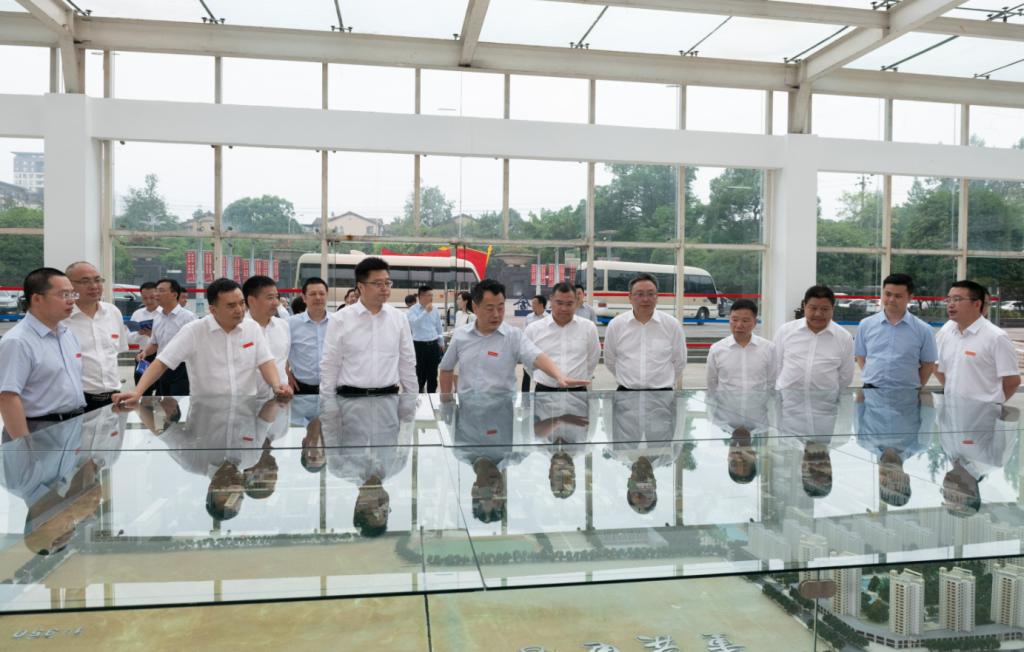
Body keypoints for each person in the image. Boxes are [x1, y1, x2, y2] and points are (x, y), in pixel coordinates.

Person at [112, 278, 293, 403]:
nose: (239, 310)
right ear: (213, 310)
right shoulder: (194, 331)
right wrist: (137, 392)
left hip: (245, 410)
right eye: (231, 305)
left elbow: (265, 361)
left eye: (241, 303)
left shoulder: (251, 328)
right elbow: (161, 362)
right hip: (207, 412)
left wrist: (277, 385)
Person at [438, 279, 589, 393]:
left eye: (501, 308)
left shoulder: (513, 336)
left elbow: (537, 356)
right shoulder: (461, 336)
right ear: (475, 307)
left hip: (502, 413)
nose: (496, 314)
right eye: (489, 308)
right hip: (468, 412)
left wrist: (559, 376)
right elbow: (446, 369)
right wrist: (446, 402)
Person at [0, 268, 85, 439]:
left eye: (72, 294)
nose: (71, 301)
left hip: (72, 426)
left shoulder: (66, 334)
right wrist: (24, 445)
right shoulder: (17, 341)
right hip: (37, 429)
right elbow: (8, 398)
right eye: (64, 295)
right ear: (37, 299)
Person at [319, 257, 417, 396]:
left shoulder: (399, 318)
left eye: (387, 283)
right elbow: (330, 365)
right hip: (350, 397)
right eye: (378, 283)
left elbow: (407, 362)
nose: (384, 288)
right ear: (361, 287)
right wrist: (328, 402)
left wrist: (412, 397)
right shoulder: (340, 319)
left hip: (388, 396)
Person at [936, 279, 1021, 403]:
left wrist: (992, 406)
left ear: (977, 304)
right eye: (949, 299)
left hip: (984, 413)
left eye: (957, 299)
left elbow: (1012, 381)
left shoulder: (996, 337)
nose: (951, 304)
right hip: (951, 410)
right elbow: (938, 367)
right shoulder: (947, 332)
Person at [603, 273, 687, 391]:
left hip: (662, 394)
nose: (645, 299)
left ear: (657, 297)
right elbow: (610, 360)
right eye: (639, 294)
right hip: (626, 393)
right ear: (630, 297)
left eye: (651, 294)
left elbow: (680, 361)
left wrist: (664, 383)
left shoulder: (672, 325)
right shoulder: (616, 325)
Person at [64, 262, 129, 411]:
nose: (94, 286)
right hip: (77, 403)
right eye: (85, 281)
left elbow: (115, 353)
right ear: (68, 285)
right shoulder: (62, 319)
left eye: (98, 280)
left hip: (114, 399)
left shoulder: (113, 312)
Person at [854, 273, 937, 389]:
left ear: (910, 297)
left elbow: (928, 364)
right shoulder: (865, 325)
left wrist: (915, 390)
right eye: (888, 294)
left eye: (898, 296)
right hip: (871, 390)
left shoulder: (924, 330)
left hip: (907, 392)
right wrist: (872, 379)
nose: (891, 300)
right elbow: (860, 356)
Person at [773, 285, 854, 391]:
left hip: (825, 399)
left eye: (825, 309)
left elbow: (846, 376)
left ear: (832, 309)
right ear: (804, 306)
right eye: (813, 308)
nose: (818, 314)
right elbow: (775, 365)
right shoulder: (785, 331)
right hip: (788, 398)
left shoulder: (844, 338)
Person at [524, 282, 600, 392]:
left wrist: (582, 377)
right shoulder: (533, 329)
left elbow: (593, 358)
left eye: (569, 304)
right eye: (559, 303)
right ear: (551, 300)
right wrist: (540, 378)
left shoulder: (588, 328)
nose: (564, 308)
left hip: (577, 391)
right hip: (545, 391)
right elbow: (527, 362)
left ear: (576, 302)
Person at [138, 278, 196, 396]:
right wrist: (145, 352)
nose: (156, 294)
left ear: (174, 294)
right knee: (163, 401)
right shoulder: (157, 318)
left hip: (182, 368)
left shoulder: (189, 318)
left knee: (179, 403)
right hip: (162, 367)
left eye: (161, 291)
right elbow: (155, 343)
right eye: (156, 291)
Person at [705, 298, 774, 391]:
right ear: (729, 320)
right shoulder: (717, 349)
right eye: (735, 320)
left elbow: (772, 381)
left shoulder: (768, 348)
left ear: (755, 322)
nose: (739, 325)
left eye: (745, 321)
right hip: (726, 401)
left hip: (758, 400)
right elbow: (711, 382)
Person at [242, 275, 292, 396]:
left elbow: (284, 360)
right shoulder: (239, 329)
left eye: (277, 297)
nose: (276, 302)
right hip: (249, 399)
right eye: (270, 298)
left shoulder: (283, 326)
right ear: (251, 300)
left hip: (281, 397)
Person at [287, 277, 329, 394]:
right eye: (313, 294)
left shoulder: (337, 322)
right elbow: (281, 352)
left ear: (327, 295)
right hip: (301, 387)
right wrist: (286, 373)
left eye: (321, 293)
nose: (318, 297)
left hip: (332, 387)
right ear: (304, 298)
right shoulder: (291, 323)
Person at [407, 284, 445, 393]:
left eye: (432, 295)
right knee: (420, 375)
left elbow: (438, 327)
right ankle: (419, 398)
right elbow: (414, 324)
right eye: (429, 295)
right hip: (419, 346)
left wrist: (441, 343)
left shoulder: (435, 309)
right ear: (421, 296)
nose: (431, 298)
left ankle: (431, 397)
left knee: (433, 375)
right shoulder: (412, 310)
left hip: (433, 345)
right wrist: (425, 312)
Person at [129, 281, 160, 394]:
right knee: (142, 391)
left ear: (158, 295)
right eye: (145, 298)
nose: (149, 301)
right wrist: (139, 333)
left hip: (162, 356)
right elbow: (129, 338)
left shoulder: (165, 313)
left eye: (152, 297)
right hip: (143, 356)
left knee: (163, 391)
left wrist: (152, 334)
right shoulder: (137, 314)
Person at [520, 294, 548, 391]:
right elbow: (524, 333)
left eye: (534, 303)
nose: (532, 305)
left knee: (542, 375)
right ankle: (524, 396)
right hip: (530, 350)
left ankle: (540, 394)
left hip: (543, 351)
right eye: (532, 303)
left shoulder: (548, 318)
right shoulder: (529, 317)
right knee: (526, 374)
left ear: (541, 304)